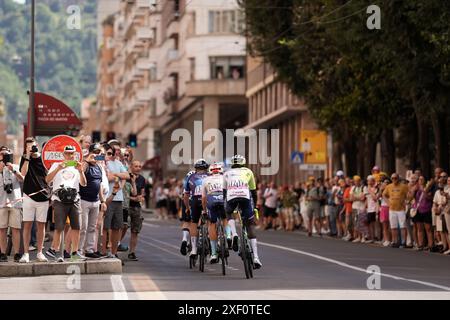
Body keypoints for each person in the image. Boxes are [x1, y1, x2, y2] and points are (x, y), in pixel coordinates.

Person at [45, 145, 87, 261]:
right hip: (59, 199)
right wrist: (58, 168)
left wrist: (81, 171)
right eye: (68, 153)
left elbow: (83, 184)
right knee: (59, 227)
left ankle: (74, 252)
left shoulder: (77, 167)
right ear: (63, 154)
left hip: (74, 199)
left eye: (72, 153)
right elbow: (47, 180)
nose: (70, 155)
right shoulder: (56, 165)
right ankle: (54, 250)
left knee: (76, 226)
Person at [223, 155, 262, 268]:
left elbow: (224, 192)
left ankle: (234, 233)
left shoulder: (226, 173)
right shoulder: (248, 172)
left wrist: (226, 204)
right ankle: (256, 258)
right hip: (245, 197)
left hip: (231, 196)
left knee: (228, 212)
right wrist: (255, 206)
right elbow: (253, 192)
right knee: (250, 225)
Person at [19, 138, 51, 263]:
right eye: (28, 147)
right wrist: (27, 156)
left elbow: (48, 175)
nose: (31, 149)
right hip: (28, 196)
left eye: (32, 146)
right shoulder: (25, 157)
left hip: (43, 196)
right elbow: (23, 173)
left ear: (36, 146)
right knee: (27, 225)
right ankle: (26, 253)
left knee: (41, 226)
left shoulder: (43, 158)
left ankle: (39, 252)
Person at [78, 143, 107, 259]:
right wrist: (87, 159)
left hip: (95, 201)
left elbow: (99, 184)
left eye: (99, 153)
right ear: (90, 152)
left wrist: (103, 201)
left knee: (92, 227)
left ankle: (89, 250)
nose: (97, 155)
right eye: (95, 152)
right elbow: (80, 170)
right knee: (83, 227)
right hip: (84, 200)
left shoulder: (99, 167)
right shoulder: (85, 164)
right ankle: (78, 251)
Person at [102, 144, 130, 259]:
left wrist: (116, 175)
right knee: (105, 227)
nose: (111, 154)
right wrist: (118, 177)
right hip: (107, 198)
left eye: (112, 152)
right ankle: (103, 252)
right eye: (108, 153)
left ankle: (113, 253)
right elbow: (106, 178)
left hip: (118, 199)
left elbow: (127, 175)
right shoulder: (104, 163)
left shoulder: (118, 163)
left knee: (117, 227)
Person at [0, 150, 24, 262]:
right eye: (2, 155)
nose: (4, 157)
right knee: (2, 229)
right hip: (1, 202)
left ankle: (17, 253)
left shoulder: (15, 166)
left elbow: (22, 179)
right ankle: (3, 253)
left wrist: (14, 170)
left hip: (15, 201)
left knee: (16, 229)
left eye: (7, 155)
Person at [201, 162, 227, 264]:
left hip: (211, 201)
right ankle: (228, 236)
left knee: (212, 224)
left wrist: (204, 210)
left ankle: (214, 253)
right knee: (225, 218)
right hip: (223, 200)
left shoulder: (206, 180)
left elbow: (203, 198)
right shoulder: (225, 177)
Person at [184, 159, 209, 258]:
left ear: (196, 168)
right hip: (207, 200)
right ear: (206, 168)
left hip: (195, 200)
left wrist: (187, 208)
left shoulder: (191, 177)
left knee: (194, 223)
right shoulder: (210, 176)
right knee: (211, 221)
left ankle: (194, 249)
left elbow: (186, 195)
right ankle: (208, 236)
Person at [383, 173, 409, 248]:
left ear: (398, 179)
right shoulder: (389, 186)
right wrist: (388, 202)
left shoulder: (403, 186)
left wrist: (406, 202)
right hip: (392, 209)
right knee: (393, 226)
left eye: (395, 178)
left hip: (401, 209)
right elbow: (384, 194)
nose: (394, 180)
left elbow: (409, 195)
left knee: (402, 226)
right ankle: (395, 241)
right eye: (392, 178)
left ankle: (403, 242)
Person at [126, 161, 146, 261]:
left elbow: (142, 192)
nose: (138, 168)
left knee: (135, 231)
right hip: (126, 206)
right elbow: (124, 193)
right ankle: (115, 249)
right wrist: (133, 198)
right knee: (123, 227)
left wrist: (141, 197)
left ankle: (132, 252)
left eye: (139, 166)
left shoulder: (142, 179)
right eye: (136, 166)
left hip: (137, 207)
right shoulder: (126, 177)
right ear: (131, 167)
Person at [410, 175, 434, 251]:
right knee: (419, 229)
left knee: (428, 229)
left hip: (426, 210)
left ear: (425, 180)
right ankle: (420, 245)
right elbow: (410, 197)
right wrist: (413, 190)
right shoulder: (416, 188)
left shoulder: (428, 187)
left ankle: (431, 245)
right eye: (419, 179)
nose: (420, 181)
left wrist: (424, 190)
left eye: (422, 179)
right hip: (418, 210)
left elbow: (430, 198)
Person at [432, 171, 449, 253]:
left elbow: (447, 200)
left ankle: (449, 247)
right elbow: (434, 202)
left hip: (446, 210)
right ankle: (445, 246)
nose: (442, 178)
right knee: (442, 230)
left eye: (444, 176)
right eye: (441, 177)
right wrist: (435, 208)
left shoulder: (448, 188)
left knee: (447, 230)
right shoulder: (438, 191)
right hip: (439, 211)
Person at [179, 170, 195, 256]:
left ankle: (184, 239)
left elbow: (183, 194)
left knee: (186, 222)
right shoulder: (199, 179)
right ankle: (193, 243)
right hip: (196, 201)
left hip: (186, 201)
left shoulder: (186, 181)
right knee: (196, 222)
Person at [350, 176, 368, 243]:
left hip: (362, 207)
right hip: (354, 207)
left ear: (360, 181)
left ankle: (363, 237)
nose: (356, 182)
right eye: (355, 181)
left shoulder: (364, 188)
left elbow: (363, 198)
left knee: (362, 222)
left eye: (357, 180)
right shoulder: (353, 188)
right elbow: (351, 198)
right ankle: (358, 237)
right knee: (356, 223)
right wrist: (359, 197)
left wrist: (355, 197)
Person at [366, 175, 380, 243]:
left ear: (373, 181)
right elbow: (366, 198)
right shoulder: (368, 188)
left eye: (369, 180)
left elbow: (375, 198)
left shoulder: (376, 188)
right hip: (369, 209)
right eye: (367, 180)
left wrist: (370, 190)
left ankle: (378, 238)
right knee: (370, 224)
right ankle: (372, 238)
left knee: (376, 224)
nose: (368, 182)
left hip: (375, 208)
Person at [379, 178, 391, 246]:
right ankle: (386, 240)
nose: (386, 184)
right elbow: (377, 197)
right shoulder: (382, 189)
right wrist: (381, 189)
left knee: (391, 225)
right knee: (385, 225)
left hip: (391, 207)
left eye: (387, 182)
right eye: (385, 182)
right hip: (384, 207)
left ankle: (391, 240)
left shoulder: (391, 189)